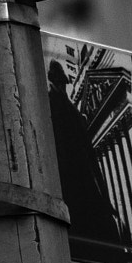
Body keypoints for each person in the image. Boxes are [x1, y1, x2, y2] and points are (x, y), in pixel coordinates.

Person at [45, 62, 124, 248]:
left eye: (63, 81)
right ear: (54, 80)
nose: (62, 84)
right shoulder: (50, 104)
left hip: (86, 180)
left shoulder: (71, 108)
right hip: (70, 183)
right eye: (59, 79)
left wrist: (104, 196)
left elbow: (90, 155)